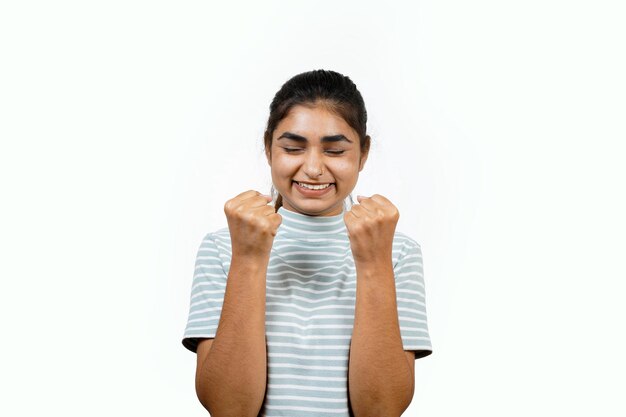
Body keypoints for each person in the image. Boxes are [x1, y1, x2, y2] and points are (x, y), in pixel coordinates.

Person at [182, 69, 433, 417]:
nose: (313, 168)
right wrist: (249, 259)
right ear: (268, 148)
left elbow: (381, 410)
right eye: (292, 147)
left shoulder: (396, 250)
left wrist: (374, 264)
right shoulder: (225, 246)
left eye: (334, 150)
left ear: (363, 153)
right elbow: (228, 409)